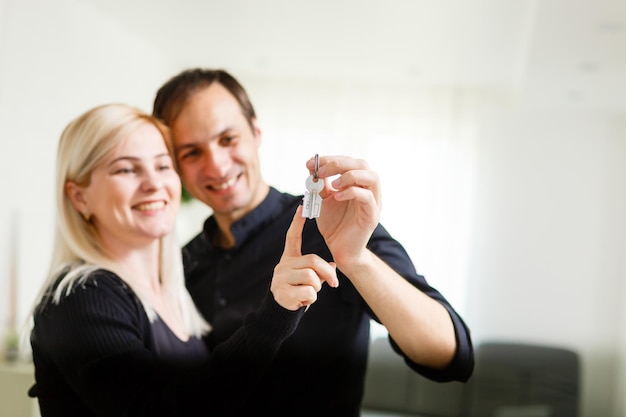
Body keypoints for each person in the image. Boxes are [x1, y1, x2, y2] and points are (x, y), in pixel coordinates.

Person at [152, 68, 475, 417]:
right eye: (192, 152)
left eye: (228, 139)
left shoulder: (330, 224)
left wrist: (356, 259)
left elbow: (451, 355)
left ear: (256, 132)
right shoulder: (180, 263)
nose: (216, 165)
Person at [26, 103, 339, 417]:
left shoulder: (174, 290)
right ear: (80, 197)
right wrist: (276, 313)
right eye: (126, 169)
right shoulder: (81, 296)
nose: (153, 183)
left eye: (163, 166)